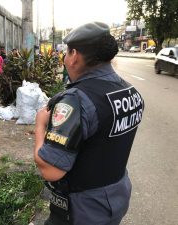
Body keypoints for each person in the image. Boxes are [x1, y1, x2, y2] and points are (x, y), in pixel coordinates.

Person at [34, 22, 145, 225]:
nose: (64, 59)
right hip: (115, 198)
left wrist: (40, 126)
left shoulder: (77, 101)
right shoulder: (131, 93)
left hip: (82, 210)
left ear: (74, 55)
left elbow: (50, 170)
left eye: (66, 53)